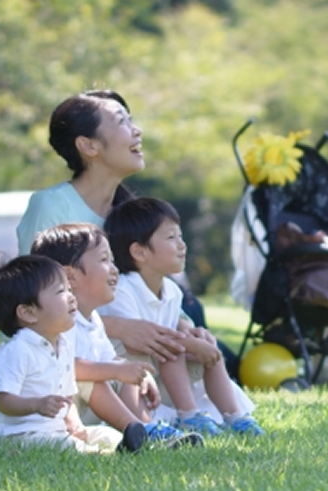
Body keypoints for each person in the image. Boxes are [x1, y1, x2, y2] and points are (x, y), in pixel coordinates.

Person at [15, 89, 240, 375]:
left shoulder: (129, 212)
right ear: (88, 145)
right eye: (123, 122)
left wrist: (187, 328)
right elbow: (29, 300)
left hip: (124, 348)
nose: (137, 131)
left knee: (193, 335)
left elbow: (150, 287)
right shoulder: (51, 206)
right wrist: (120, 328)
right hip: (61, 357)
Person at [30, 222, 203, 448]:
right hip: (59, 413)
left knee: (123, 368)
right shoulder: (59, 324)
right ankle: (138, 428)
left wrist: (136, 373)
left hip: (88, 411)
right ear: (70, 277)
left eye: (112, 260)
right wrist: (117, 370)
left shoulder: (94, 320)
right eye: (104, 260)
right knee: (103, 374)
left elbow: (111, 360)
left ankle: (146, 427)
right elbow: (64, 366)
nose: (115, 269)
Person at [103, 196, 265, 436]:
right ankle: (188, 415)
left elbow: (173, 335)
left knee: (202, 344)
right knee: (176, 347)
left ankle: (236, 417)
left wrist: (196, 340)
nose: (182, 245)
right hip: (129, 376)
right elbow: (137, 343)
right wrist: (189, 343)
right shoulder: (123, 289)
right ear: (139, 251)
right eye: (171, 237)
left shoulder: (172, 291)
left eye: (180, 236)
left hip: (161, 369)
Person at [0, 253, 147, 454]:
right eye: (61, 291)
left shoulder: (64, 344)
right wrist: (36, 404)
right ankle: (108, 455)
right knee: (67, 447)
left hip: (55, 431)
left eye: (70, 289)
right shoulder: (17, 351)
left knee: (103, 434)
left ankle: (129, 440)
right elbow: (4, 401)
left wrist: (74, 422)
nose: (71, 296)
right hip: (18, 436)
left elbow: (67, 395)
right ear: (28, 313)